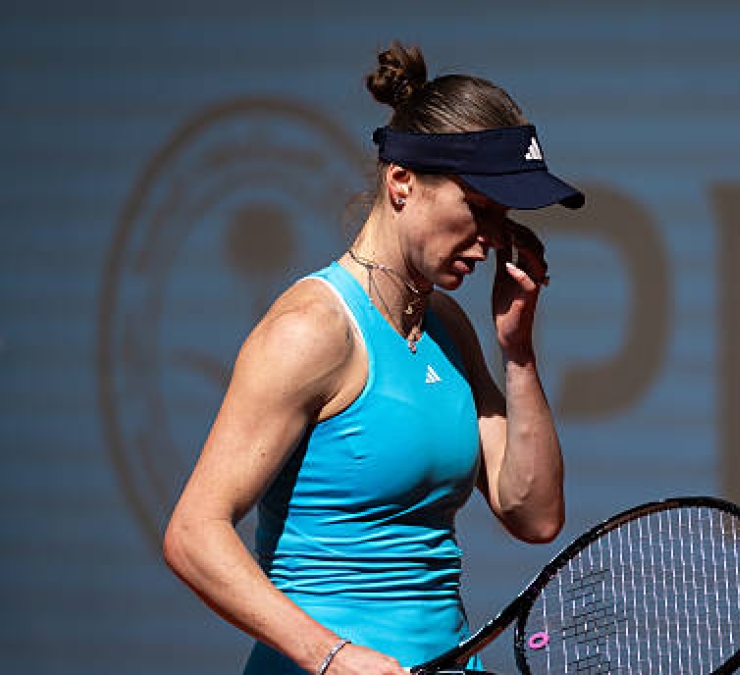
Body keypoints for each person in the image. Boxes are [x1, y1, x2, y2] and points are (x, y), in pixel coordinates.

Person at [163, 41, 583, 675]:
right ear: (402, 183)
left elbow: (536, 513)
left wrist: (517, 352)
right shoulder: (311, 330)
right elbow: (193, 534)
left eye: (505, 218)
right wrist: (332, 656)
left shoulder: (448, 325)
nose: (495, 239)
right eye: (480, 209)